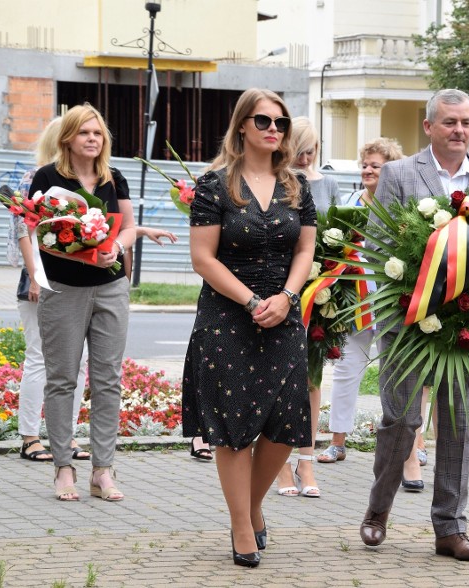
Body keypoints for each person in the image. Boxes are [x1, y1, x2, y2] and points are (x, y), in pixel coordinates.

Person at [359, 89, 469, 561]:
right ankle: (379, 509)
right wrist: (411, 303)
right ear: (429, 127)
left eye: (465, 122)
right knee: (401, 420)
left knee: (459, 424)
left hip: (467, 324)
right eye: (449, 122)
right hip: (408, 321)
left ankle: (450, 527)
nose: (459, 130)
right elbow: (379, 247)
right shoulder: (401, 174)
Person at [181, 88, 316, 567]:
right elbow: (202, 258)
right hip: (227, 316)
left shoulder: (296, 185)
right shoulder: (215, 184)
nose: (273, 130)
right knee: (233, 426)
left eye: (280, 122)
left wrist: (287, 297)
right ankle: (242, 525)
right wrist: (253, 300)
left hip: (283, 313)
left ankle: (252, 506)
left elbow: (305, 251)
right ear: (242, 125)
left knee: (284, 423)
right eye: (263, 121)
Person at [29, 104, 138, 502]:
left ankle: (103, 471)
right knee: (63, 379)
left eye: (98, 134)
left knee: (108, 380)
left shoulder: (115, 178)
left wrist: (114, 249)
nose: (93, 139)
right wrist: (81, 252)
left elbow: (127, 229)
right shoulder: (48, 178)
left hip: (111, 288)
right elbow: (39, 233)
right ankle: (63, 468)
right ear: (67, 138)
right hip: (64, 289)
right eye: (84, 133)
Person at [315, 137, 428, 490]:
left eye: (375, 166)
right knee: (348, 368)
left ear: (390, 171)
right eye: (364, 164)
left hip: (393, 302)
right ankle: (337, 441)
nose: (367, 170)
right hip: (357, 301)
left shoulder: (403, 208)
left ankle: (417, 444)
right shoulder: (348, 203)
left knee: (404, 374)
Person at [14, 117, 88, 463]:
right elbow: (24, 232)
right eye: (77, 135)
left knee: (78, 363)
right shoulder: (35, 178)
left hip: (76, 284)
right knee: (39, 358)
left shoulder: (85, 180)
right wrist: (33, 276)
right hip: (39, 282)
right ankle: (30, 438)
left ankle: (66, 437)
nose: (87, 141)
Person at [274, 116, 339, 498]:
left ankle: (306, 461)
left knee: (312, 379)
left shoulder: (327, 183)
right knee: (278, 380)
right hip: (279, 290)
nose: (304, 157)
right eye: (298, 149)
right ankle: (280, 466)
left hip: (322, 293)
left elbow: (340, 235)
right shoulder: (274, 183)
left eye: (311, 150)